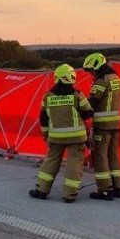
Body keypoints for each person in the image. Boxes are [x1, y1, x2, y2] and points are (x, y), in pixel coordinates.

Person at [30, 64, 94, 203]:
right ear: (71, 78)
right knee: (74, 164)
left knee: (51, 161)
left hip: (56, 137)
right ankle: (69, 194)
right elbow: (88, 112)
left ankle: (41, 190)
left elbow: (43, 118)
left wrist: (46, 135)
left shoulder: (47, 96)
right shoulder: (77, 95)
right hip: (77, 137)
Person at [83, 53, 120, 200]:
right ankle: (118, 186)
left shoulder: (101, 81)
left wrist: (80, 111)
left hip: (103, 126)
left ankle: (105, 190)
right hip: (116, 125)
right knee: (113, 156)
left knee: (100, 157)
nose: (90, 74)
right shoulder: (116, 79)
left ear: (97, 67)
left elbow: (92, 102)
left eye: (91, 70)